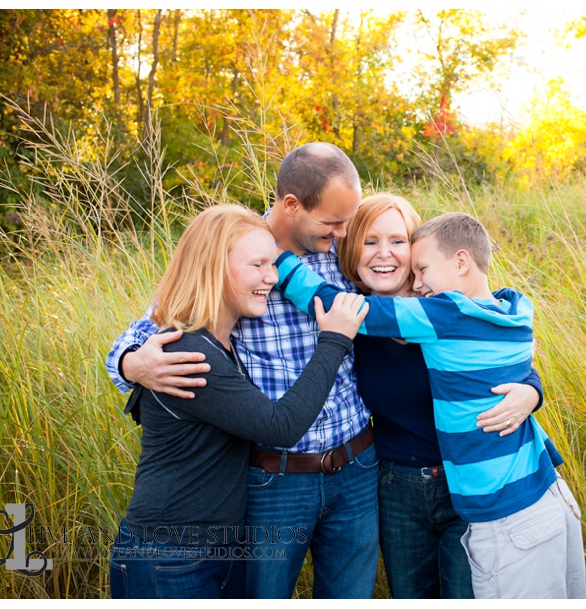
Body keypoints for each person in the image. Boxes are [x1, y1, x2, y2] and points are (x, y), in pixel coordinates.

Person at [106, 143, 544, 599]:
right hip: (273, 478)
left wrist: (531, 388)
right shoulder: (241, 253)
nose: (341, 233)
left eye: (347, 223)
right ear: (291, 205)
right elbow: (162, 317)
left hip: (356, 468)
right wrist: (131, 362)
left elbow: (482, 334)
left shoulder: (344, 261)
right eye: (333, 223)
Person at [274, 212, 586, 599]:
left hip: (481, 500)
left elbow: (331, 304)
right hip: (444, 485)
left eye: (421, 266)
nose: (420, 282)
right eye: (369, 243)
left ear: (459, 262)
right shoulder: (515, 307)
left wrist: (275, 253)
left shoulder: (444, 313)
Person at [108, 205, 368, 599]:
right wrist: (333, 340)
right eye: (258, 265)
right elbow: (280, 426)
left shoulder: (214, 339)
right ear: (214, 267)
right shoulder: (190, 350)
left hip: (215, 545)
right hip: (170, 553)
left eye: (273, 263)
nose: (272, 277)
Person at [335, 194, 544, 598]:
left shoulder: (449, 309)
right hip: (397, 486)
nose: (384, 254)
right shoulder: (351, 317)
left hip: (466, 482)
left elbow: (508, 363)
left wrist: (532, 393)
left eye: (397, 241)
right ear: (351, 248)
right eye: (370, 241)